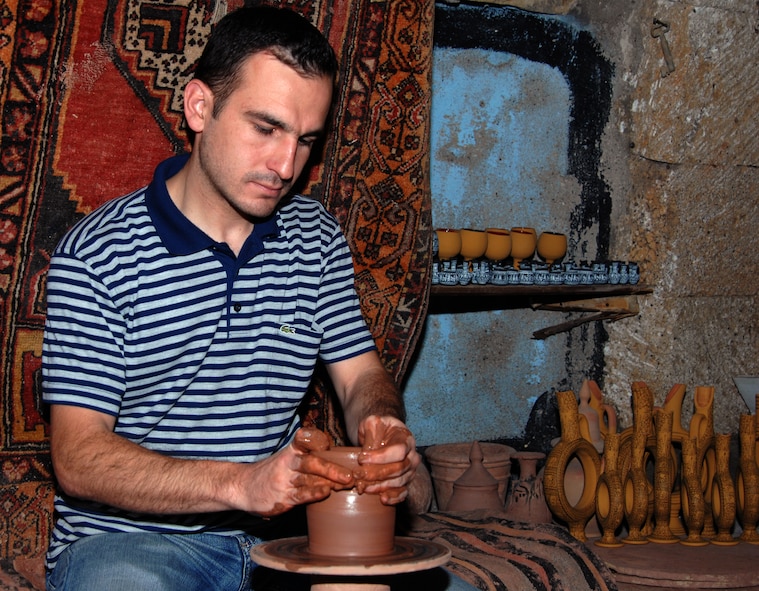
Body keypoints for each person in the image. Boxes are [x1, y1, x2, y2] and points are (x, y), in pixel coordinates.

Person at [42, 6, 476, 591]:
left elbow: (358, 379)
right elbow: (79, 458)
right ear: (200, 106)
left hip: (284, 544)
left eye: (306, 140)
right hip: (132, 547)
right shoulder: (98, 254)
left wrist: (383, 427)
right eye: (266, 128)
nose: (285, 165)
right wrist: (242, 484)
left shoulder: (316, 239)